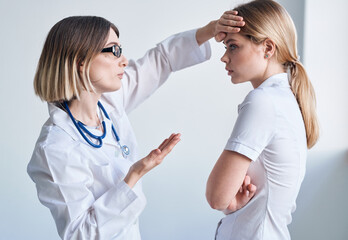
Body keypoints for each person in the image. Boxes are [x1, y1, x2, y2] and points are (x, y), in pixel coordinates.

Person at [27, 14, 251, 240]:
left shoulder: (108, 104)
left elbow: (161, 60)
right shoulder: (55, 147)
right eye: (113, 51)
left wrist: (211, 29)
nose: (124, 60)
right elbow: (80, 234)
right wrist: (133, 175)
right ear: (81, 61)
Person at [206, 1, 320, 239]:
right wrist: (232, 203)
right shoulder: (284, 100)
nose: (224, 58)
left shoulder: (262, 102)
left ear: (267, 48)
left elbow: (216, 196)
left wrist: (225, 200)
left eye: (233, 46)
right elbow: (225, 199)